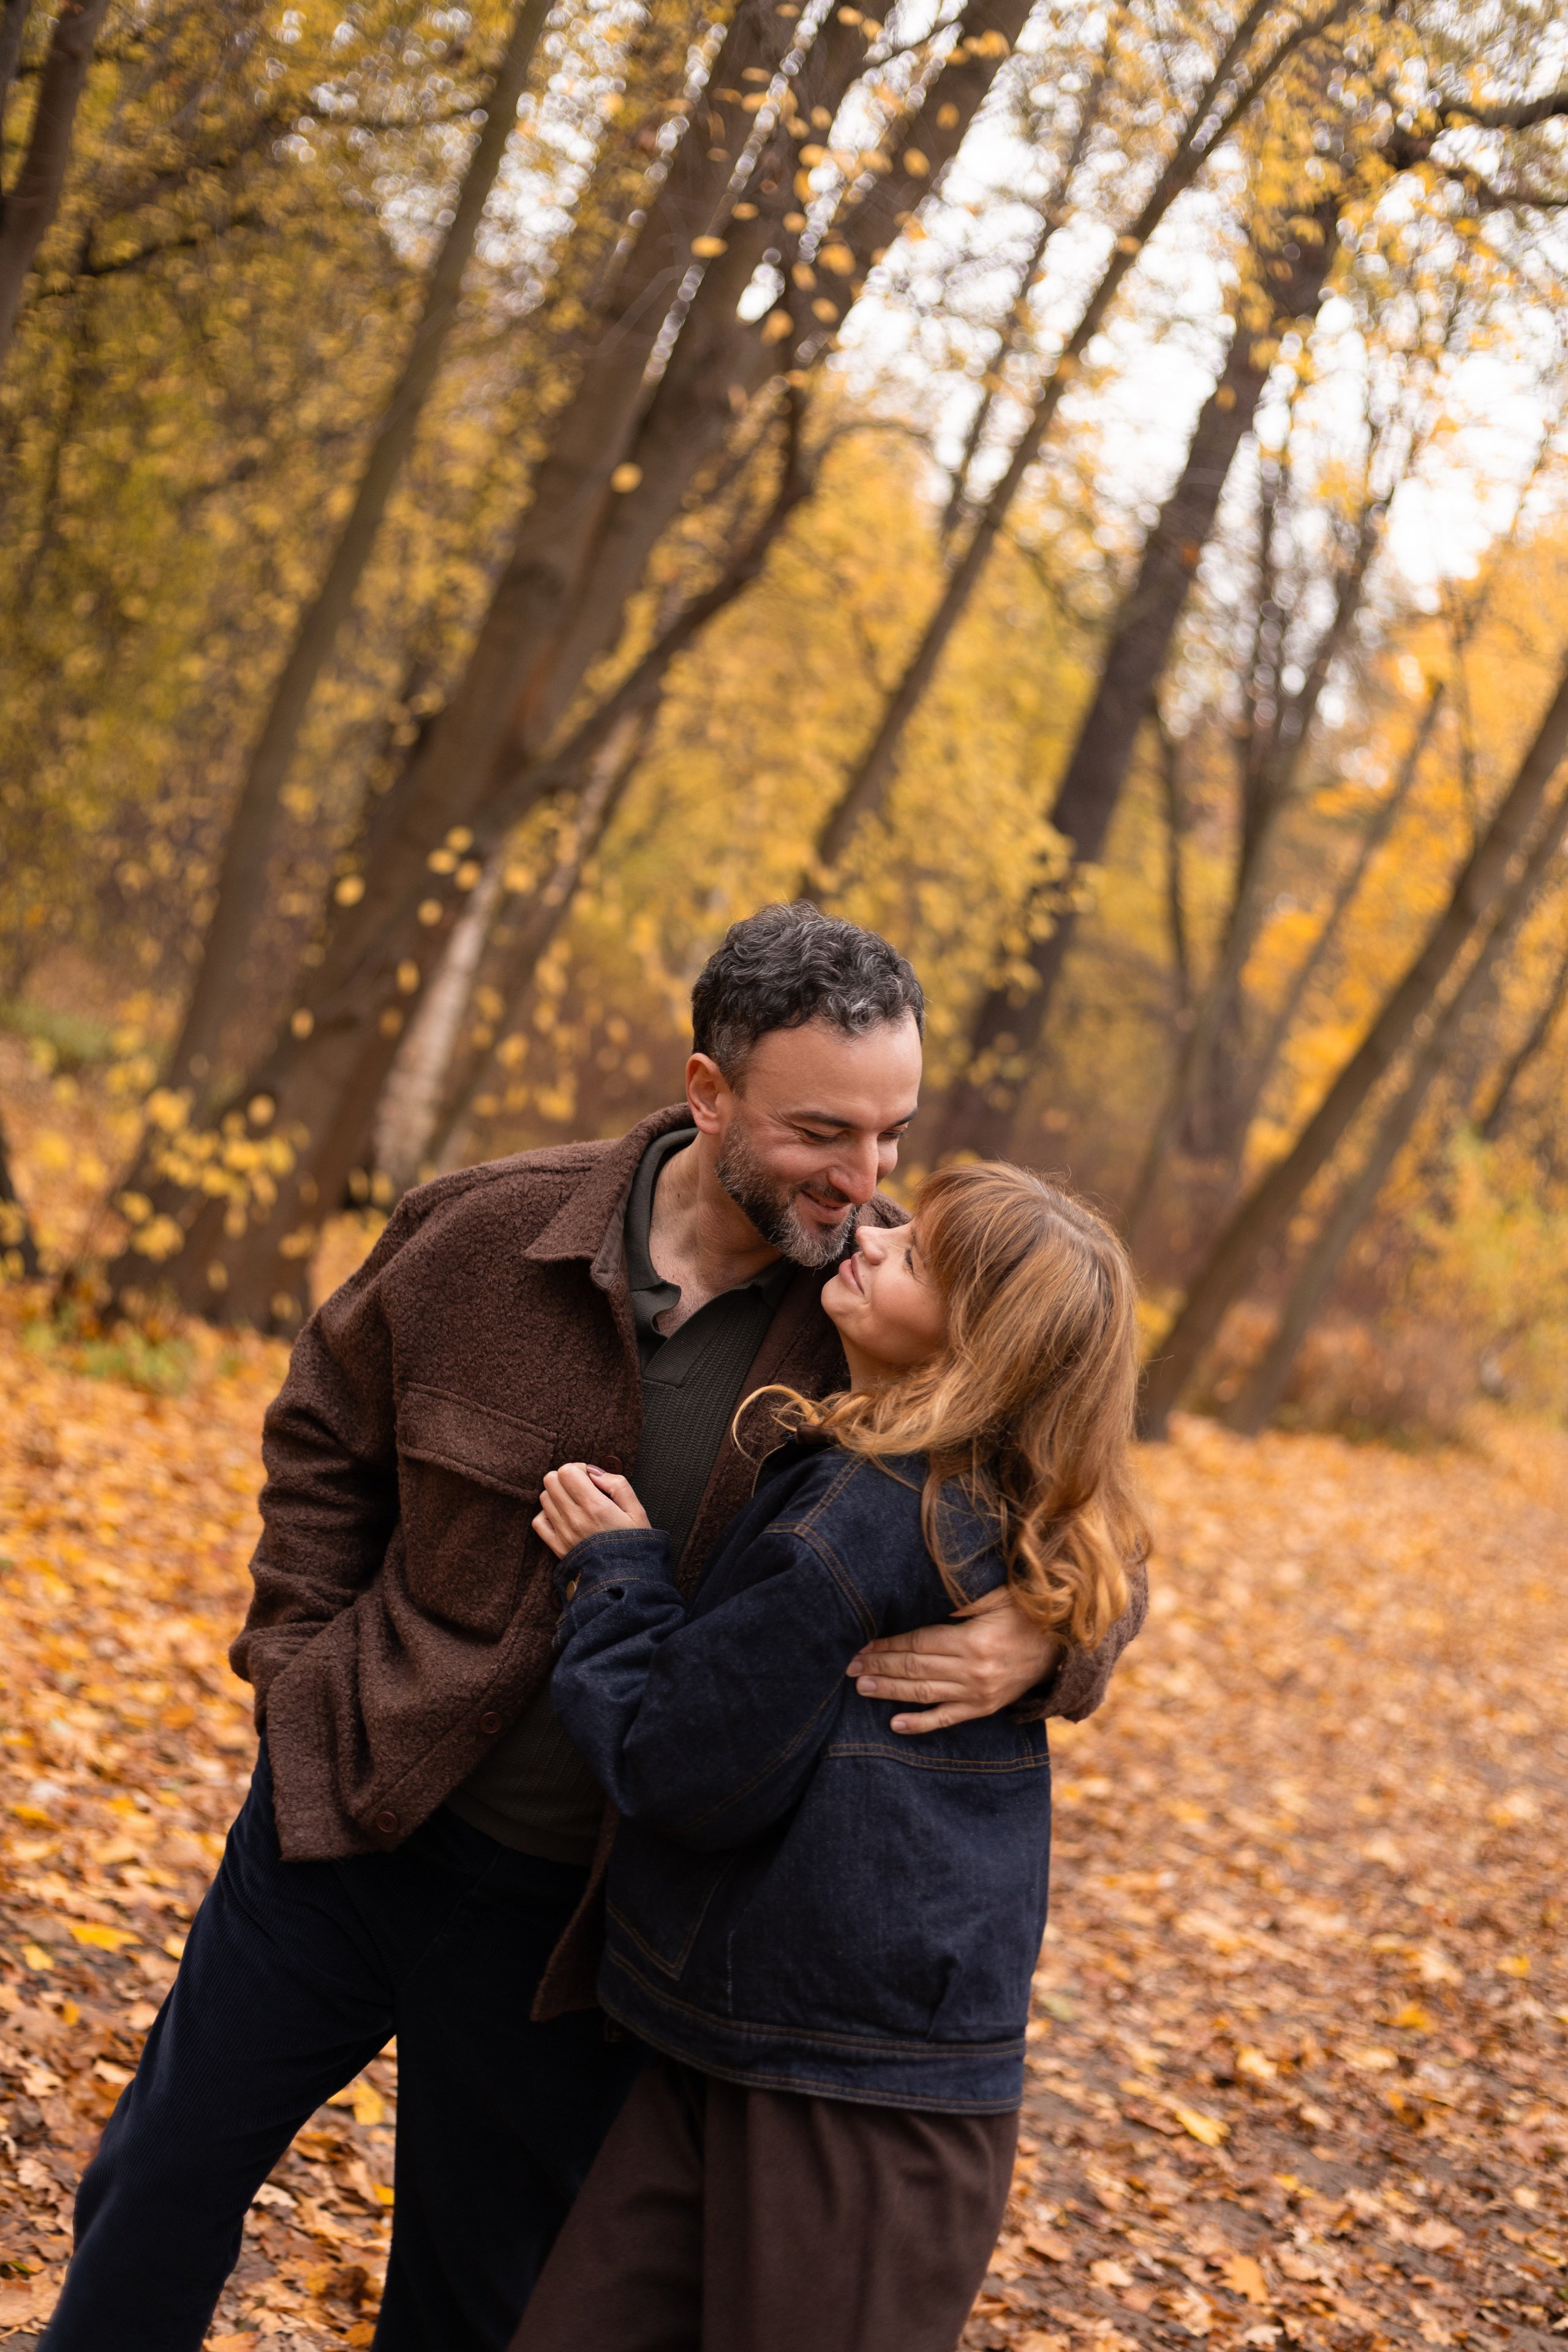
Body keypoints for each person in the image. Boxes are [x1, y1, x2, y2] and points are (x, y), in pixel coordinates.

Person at [43, 903, 1144, 2352]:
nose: (865, 1184)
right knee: (161, 2186)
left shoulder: (895, 1310)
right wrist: (297, 1676)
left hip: (575, 1923)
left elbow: (1078, 1498)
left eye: (892, 1135)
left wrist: (1046, 1648)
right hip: (346, 1818)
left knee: (474, 2297)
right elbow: (321, 1431)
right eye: (825, 1132)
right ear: (708, 1093)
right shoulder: (484, 1228)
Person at [511, 1161, 1148, 2352]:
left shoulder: (857, 1526)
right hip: (748, 2036)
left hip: (852, 2099)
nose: (872, 1234)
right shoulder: (1012, 1492)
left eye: (916, 1259)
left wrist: (615, 1574)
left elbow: (674, 1768)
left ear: (974, 1357)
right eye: (903, 1226)